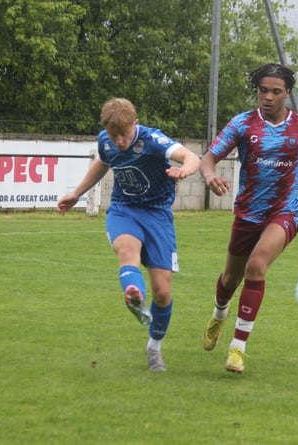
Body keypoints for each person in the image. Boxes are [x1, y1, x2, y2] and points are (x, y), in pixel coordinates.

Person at [200, 63, 298, 374]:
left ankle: (237, 349)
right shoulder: (243, 124)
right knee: (230, 278)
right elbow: (208, 158)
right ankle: (219, 315)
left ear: (288, 93)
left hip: (284, 213)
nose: (268, 97)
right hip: (247, 214)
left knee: (256, 266)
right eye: (263, 91)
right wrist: (209, 176)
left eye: (276, 91)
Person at [58, 97, 200, 371]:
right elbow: (103, 163)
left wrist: (185, 170)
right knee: (126, 252)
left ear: (135, 124)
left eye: (124, 134)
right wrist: (77, 194)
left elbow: (191, 156)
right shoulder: (106, 140)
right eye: (114, 135)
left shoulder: (153, 141)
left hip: (158, 214)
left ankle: (154, 348)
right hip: (124, 210)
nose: (119, 141)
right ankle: (134, 293)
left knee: (163, 291)